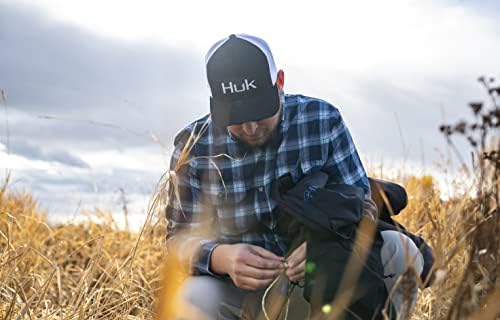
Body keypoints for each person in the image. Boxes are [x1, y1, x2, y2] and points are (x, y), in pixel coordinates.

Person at [166, 34, 424, 319]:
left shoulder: (322, 120)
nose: (250, 127)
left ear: (279, 82)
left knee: (401, 250)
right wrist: (220, 258)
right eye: (236, 117)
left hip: (317, 280)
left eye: (259, 111)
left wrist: (323, 247)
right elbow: (178, 238)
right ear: (215, 103)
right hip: (236, 292)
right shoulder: (193, 146)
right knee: (190, 298)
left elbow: (364, 206)